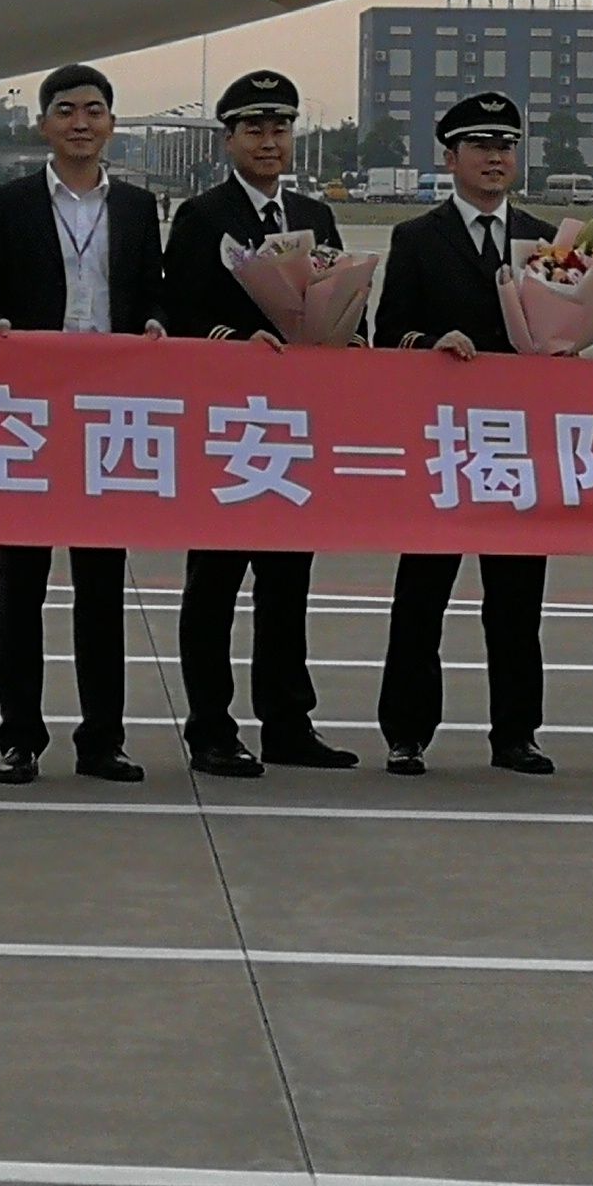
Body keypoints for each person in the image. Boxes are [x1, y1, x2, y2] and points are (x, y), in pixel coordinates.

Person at [0, 64, 162, 785]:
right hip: (32, 413)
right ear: (44, 124)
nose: (82, 123)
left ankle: (103, 738)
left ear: (111, 124)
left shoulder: (137, 207)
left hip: (108, 414)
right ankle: (19, 737)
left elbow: (148, 295)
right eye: (67, 111)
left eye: (95, 111)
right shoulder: (8, 203)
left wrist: (157, 325)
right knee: (22, 584)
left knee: (103, 588)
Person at [158, 69, 356, 777]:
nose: (269, 142)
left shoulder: (315, 216)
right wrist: (233, 342)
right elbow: (179, 315)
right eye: (254, 129)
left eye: (280, 129)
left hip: (294, 427)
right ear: (229, 139)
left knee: (287, 580)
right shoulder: (203, 217)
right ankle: (211, 724)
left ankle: (287, 721)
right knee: (214, 581)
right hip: (226, 425)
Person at [373, 90, 555, 776]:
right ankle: (407, 731)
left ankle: (516, 734)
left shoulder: (546, 238)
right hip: (444, 444)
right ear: (449, 157)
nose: (494, 158)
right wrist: (430, 341)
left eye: (505, 145)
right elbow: (387, 331)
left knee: (516, 602)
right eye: (480, 146)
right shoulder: (417, 238)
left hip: (517, 444)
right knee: (421, 596)